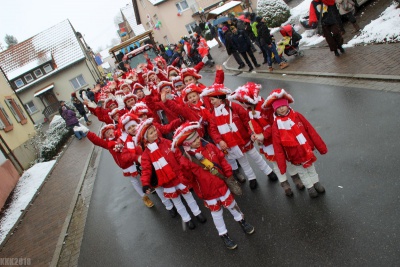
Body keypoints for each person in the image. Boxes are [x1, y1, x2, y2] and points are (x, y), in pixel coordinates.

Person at [172, 121, 255, 250]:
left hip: (221, 184)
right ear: (186, 145)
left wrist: (228, 174)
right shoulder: (185, 160)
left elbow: (221, 159)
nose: (197, 141)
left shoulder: (209, 146)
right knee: (217, 213)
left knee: (232, 205)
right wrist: (185, 170)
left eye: (197, 138)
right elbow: (187, 179)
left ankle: (242, 221)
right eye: (193, 141)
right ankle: (224, 234)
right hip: (208, 192)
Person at [136, 118, 207, 229]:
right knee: (177, 202)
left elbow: (178, 156)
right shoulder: (146, 154)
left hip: (179, 177)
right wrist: (145, 184)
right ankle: (187, 219)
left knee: (188, 196)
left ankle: (197, 213)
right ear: (146, 138)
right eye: (151, 133)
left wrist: (186, 167)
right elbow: (146, 170)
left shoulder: (167, 142)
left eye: (154, 130)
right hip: (167, 182)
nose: (154, 133)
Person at [266, 89, 328, 198]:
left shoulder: (297, 116)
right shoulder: (276, 126)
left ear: (287, 105)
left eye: (283, 106)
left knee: (311, 168)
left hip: (306, 150)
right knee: (302, 172)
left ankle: (316, 183)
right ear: (275, 109)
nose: (281, 109)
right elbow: (277, 146)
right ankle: (310, 187)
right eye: (278, 107)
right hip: (294, 155)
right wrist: (281, 165)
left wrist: (321, 147)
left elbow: (310, 131)